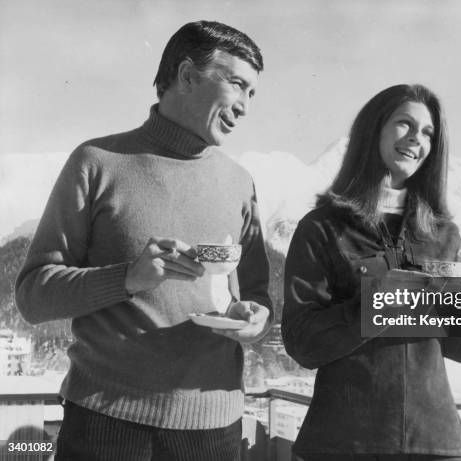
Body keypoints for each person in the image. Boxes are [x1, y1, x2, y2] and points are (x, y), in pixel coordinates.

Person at [15, 20, 272, 461]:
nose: (246, 105)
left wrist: (253, 319)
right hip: (105, 424)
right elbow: (32, 296)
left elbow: (256, 297)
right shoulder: (97, 163)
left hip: (214, 431)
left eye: (253, 93)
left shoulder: (239, 182)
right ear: (187, 75)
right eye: (237, 84)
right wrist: (127, 278)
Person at [281, 84, 461, 460]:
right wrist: (375, 305)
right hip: (344, 444)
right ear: (374, 130)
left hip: (435, 442)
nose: (417, 139)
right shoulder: (321, 228)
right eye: (405, 124)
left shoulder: (443, 234)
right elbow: (302, 342)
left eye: (428, 133)